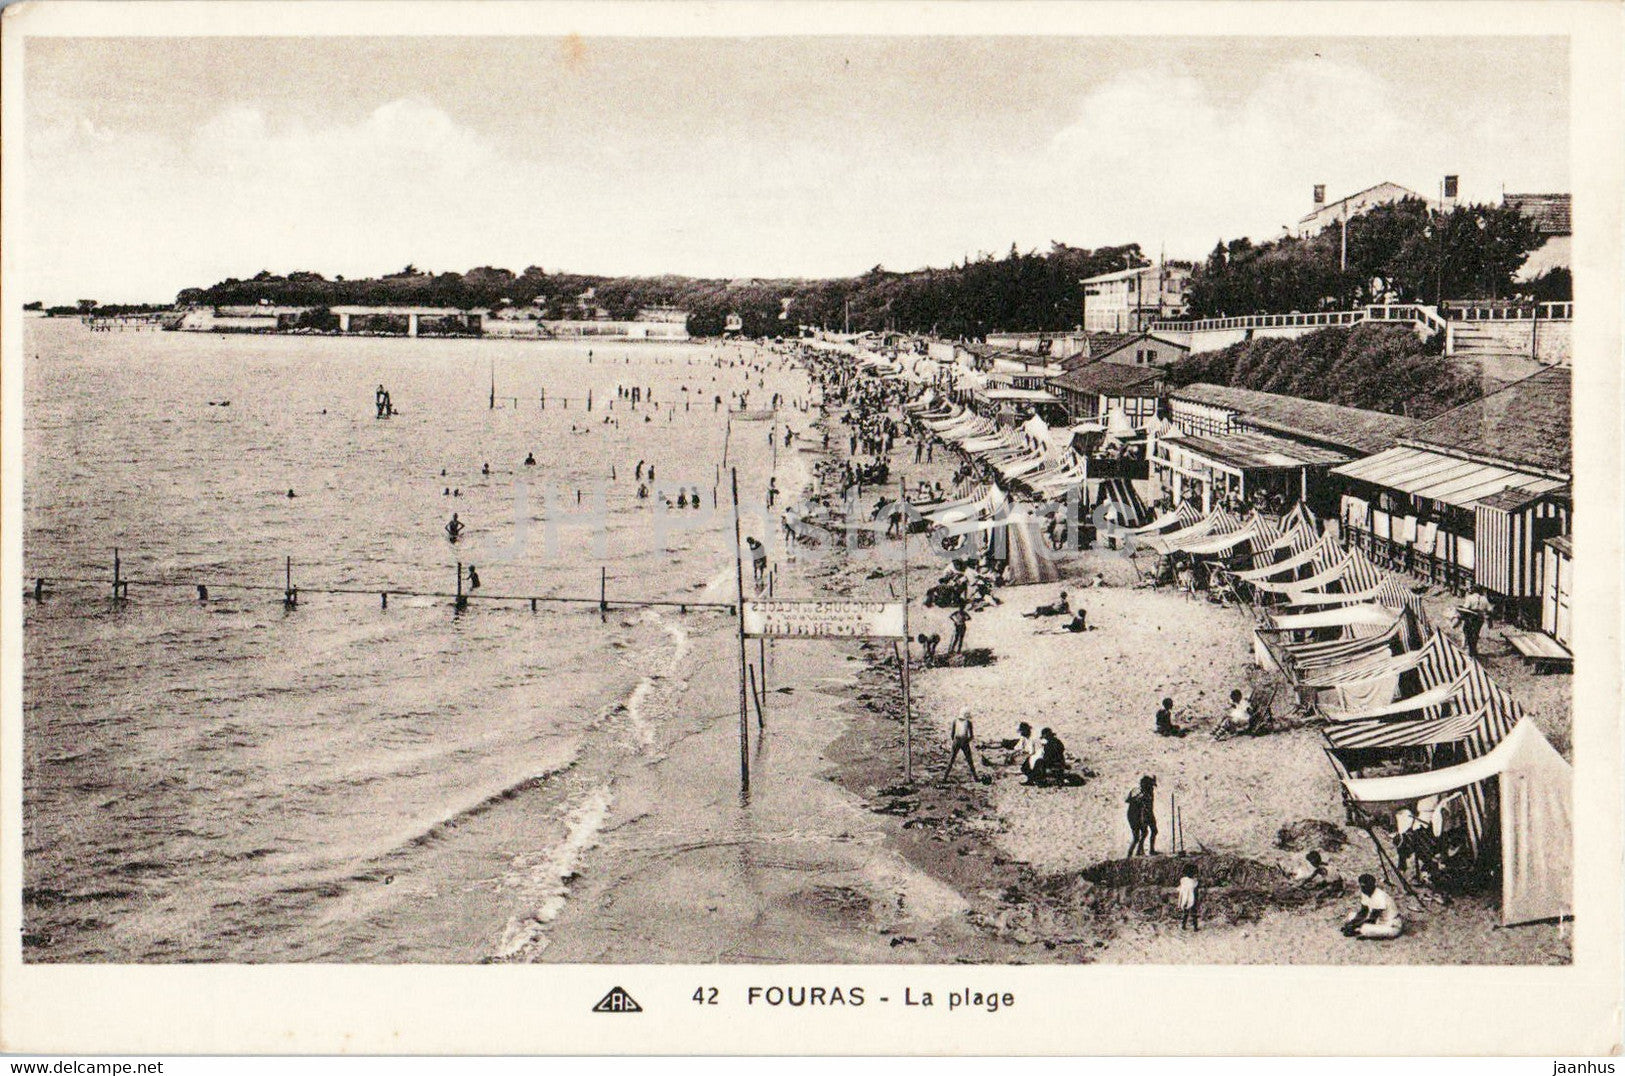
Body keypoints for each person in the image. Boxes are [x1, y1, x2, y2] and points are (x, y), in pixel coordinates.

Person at [1341, 874, 1404, 939]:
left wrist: (1354, 926)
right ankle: (1358, 930)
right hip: (1379, 921)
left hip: (1391, 925)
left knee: (1364, 928)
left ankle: (1359, 931)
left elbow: (1372, 919)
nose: (1364, 889)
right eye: (1362, 886)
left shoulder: (1379, 896)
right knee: (1351, 915)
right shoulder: (1365, 892)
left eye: (1366, 886)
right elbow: (1363, 913)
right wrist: (1352, 923)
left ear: (1373, 885)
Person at [1457, 587, 1493, 658]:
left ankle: (1470, 650)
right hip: (1480, 618)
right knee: (1476, 633)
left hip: (1470, 617)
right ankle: (1474, 650)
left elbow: (1466, 607)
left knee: (1467, 632)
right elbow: (1490, 609)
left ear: (1473, 591)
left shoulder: (1470, 598)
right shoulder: (1484, 599)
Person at [1127, 775, 1158, 856]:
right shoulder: (1139, 792)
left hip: (1148, 813)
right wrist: (1138, 798)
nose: (1152, 787)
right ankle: (1135, 852)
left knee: (1153, 831)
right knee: (1142, 834)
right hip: (1141, 815)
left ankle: (1147, 850)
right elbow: (1129, 800)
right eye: (1151, 785)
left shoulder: (1149, 792)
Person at [943, 709, 977, 781]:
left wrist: (955, 741)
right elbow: (971, 736)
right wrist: (967, 741)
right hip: (964, 741)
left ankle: (944, 778)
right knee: (969, 760)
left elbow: (952, 735)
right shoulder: (968, 723)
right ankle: (976, 778)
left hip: (956, 740)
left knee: (951, 760)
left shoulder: (955, 721)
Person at [1178, 864, 1200, 931]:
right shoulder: (1194, 882)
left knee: (1185, 913)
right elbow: (1195, 891)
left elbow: (1181, 890)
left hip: (1185, 899)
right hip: (1192, 899)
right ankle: (1195, 927)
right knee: (1194, 913)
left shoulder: (1183, 880)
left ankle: (1183, 926)